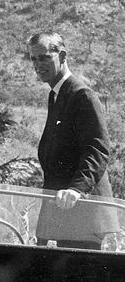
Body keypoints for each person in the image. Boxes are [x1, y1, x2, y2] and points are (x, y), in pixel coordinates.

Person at [28, 31, 116, 249]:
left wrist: (77, 189)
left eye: (45, 57)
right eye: (34, 59)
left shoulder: (82, 96)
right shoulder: (56, 95)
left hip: (82, 214)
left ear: (63, 55)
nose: (38, 65)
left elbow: (98, 149)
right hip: (61, 215)